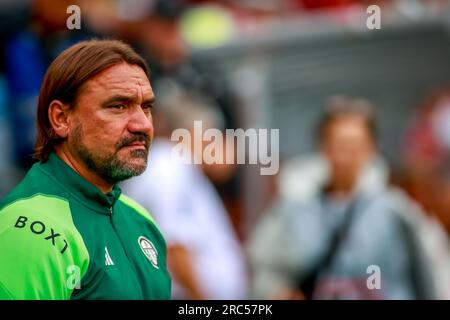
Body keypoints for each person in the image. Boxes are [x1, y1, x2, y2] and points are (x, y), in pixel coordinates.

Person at [0, 39, 171, 300]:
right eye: (118, 106)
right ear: (61, 119)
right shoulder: (28, 231)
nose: (141, 124)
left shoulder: (140, 219)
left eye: (145, 107)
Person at [247, 95, 446, 299]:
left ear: (370, 149)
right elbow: (264, 271)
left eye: (354, 145)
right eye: (338, 144)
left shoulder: (396, 213)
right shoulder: (293, 208)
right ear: (323, 146)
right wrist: (278, 292)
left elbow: (426, 276)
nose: (345, 156)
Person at [122, 82, 248, 299]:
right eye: (209, 135)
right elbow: (174, 246)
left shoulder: (176, 166)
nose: (214, 144)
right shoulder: (169, 165)